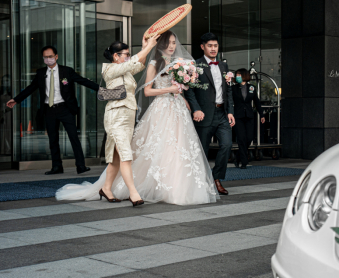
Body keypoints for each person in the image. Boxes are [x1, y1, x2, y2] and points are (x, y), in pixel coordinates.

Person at [55, 32, 218, 206]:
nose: (172, 46)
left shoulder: (128, 71)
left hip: (128, 115)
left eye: (173, 43)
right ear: (116, 56)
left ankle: (107, 187)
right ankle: (134, 193)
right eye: (125, 54)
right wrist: (149, 47)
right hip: (116, 117)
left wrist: (144, 49)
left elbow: (138, 65)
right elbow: (140, 74)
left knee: (117, 158)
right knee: (126, 155)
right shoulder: (110, 69)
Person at [6, 46, 99, 175]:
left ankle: (81, 166)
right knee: (53, 139)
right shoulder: (40, 73)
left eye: (50, 56)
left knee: (73, 137)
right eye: (45, 57)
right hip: (49, 110)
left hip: (65, 109)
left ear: (56, 56)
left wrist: (102, 90)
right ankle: (57, 167)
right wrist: (16, 100)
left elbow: (83, 81)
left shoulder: (67, 71)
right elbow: (30, 88)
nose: (48, 59)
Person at [184, 32, 235, 195]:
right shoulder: (195, 65)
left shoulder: (224, 66)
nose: (213, 49)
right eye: (210, 46)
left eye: (215, 45)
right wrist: (196, 108)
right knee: (202, 150)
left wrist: (230, 111)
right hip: (204, 114)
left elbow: (228, 90)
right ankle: (202, 181)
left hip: (222, 113)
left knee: (227, 145)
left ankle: (216, 178)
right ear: (202, 47)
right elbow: (189, 90)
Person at [231, 68, 265, 169]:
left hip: (249, 116)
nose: (237, 77)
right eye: (236, 75)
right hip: (238, 116)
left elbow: (257, 102)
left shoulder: (251, 87)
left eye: (239, 75)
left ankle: (238, 157)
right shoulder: (233, 88)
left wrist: (262, 115)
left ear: (244, 76)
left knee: (249, 138)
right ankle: (244, 162)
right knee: (241, 138)